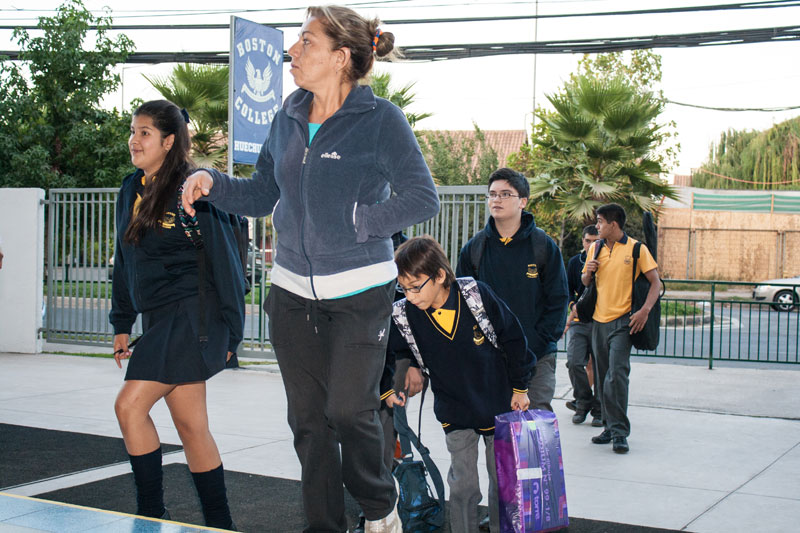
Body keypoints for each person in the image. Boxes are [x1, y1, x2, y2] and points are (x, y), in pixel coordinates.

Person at [180, 6, 439, 532]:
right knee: (308, 424)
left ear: (341, 58)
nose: (291, 52)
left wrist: (362, 220)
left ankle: (378, 504)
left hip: (360, 291)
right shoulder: (287, 118)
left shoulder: (380, 120)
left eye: (306, 43)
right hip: (292, 292)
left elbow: (422, 197)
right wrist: (213, 181)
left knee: (348, 411)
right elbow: (260, 193)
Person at [110, 100, 245, 530]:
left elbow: (226, 262)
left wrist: (232, 336)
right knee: (191, 426)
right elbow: (124, 258)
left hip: (195, 317)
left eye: (145, 132)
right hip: (158, 318)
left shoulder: (193, 186)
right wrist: (122, 322)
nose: (135, 139)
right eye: (133, 131)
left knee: (129, 406)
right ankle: (220, 524)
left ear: (169, 141)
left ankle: (150, 513)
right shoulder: (131, 188)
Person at [387, 236, 534, 533]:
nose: (410, 295)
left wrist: (520, 387)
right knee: (463, 484)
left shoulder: (475, 295)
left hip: (498, 405)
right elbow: (390, 350)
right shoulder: (404, 314)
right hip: (454, 410)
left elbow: (514, 339)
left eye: (416, 286)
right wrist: (396, 380)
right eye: (403, 288)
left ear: (440, 275)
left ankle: (499, 527)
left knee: (502, 483)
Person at [456, 167, 569, 412]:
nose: (496, 199)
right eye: (492, 194)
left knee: (536, 429)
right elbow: (463, 305)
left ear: (523, 202)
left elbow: (558, 301)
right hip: (490, 359)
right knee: (496, 434)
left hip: (537, 356)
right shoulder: (474, 250)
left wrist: (537, 342)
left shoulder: (543, 247)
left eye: (505, 194)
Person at [582, 203, 661, 454]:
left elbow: (656, 283)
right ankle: (608, 426)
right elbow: (584, 281)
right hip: (598, 320)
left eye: (600, 222)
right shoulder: (595, 248)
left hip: (624, 322)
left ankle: (619, 433)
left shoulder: (637, 249)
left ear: (613, 224)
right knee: (604, 377)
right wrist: (589, 272)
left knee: (616, 376)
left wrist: (645, 310)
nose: (597, 226)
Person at [563, 225, 602, 426]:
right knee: (574, 362)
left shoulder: (607, 260)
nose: (591, 245)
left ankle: (598, 408)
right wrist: (573, 306)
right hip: (579, 319)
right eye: (587, 241)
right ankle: (584, 401)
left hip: (601, 320)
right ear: (582, 241)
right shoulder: (574, 263)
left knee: (598, 365)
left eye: (595, 241)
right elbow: (568, 290)